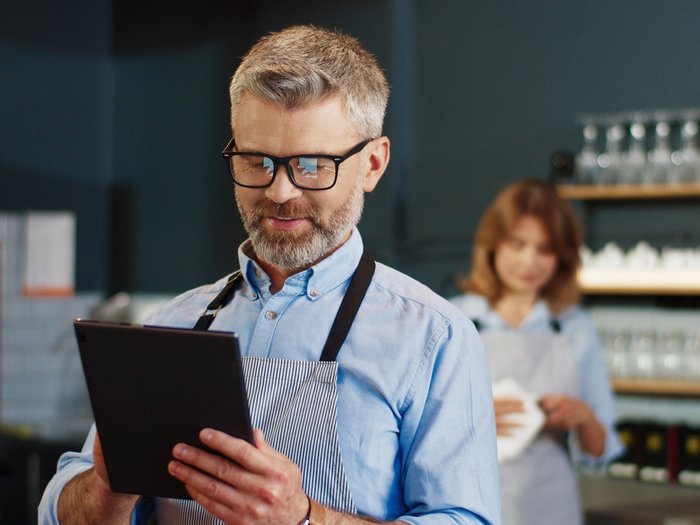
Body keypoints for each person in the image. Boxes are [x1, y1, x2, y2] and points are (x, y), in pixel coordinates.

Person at [39, 25, 500, 525]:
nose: (279, 192)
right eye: (256, 161)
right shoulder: (170, 325)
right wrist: (108, 486)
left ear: (372, 164)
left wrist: (303, 518)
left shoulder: (434, 338)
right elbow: (56, 514)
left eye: (311, 164)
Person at [449, 178, 623, 525]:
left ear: (562, 258)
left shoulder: (575, 328)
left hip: (551, 508)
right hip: (466, 507)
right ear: (493, 245)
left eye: (545, 249)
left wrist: (584, 418)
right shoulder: (454, 319)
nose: (530, 261)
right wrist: (471, 420)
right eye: (517, 244)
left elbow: (601, 449)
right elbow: (412, 431)